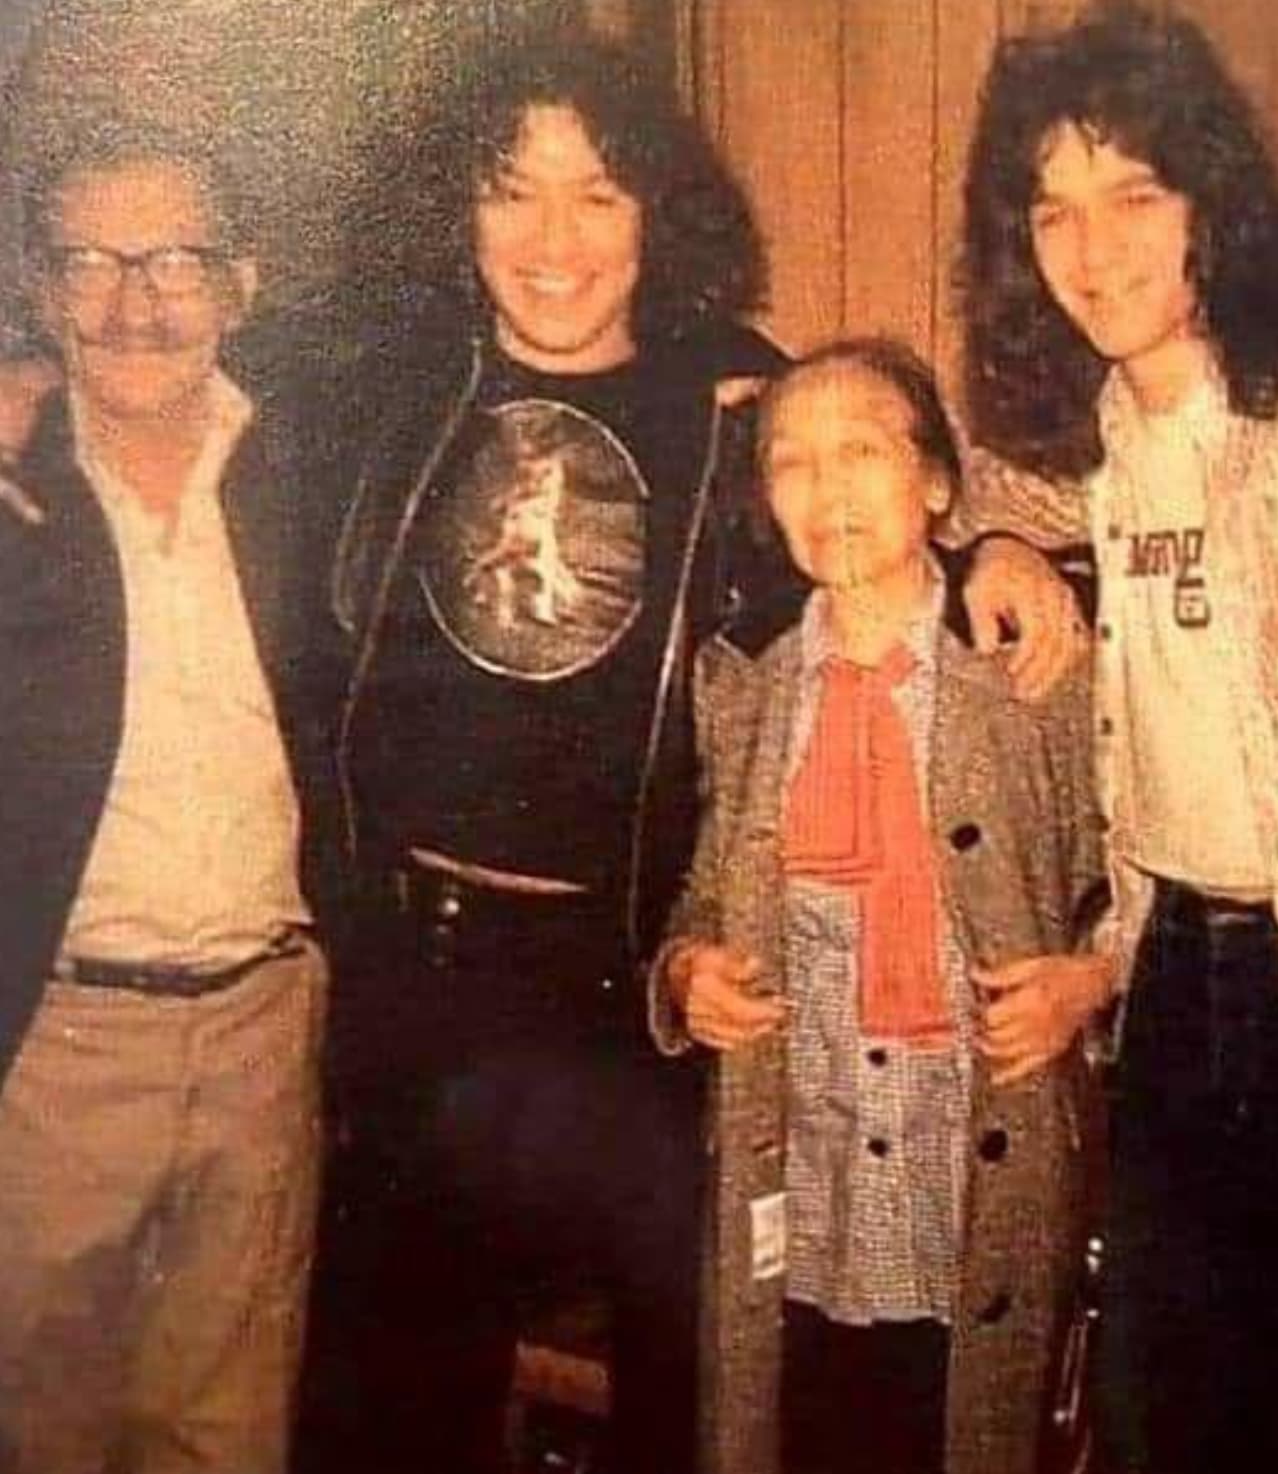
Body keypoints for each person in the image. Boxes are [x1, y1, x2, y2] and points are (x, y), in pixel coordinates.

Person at [959, 7, 1278, 1473]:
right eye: (1051, 210)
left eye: (1135, 195)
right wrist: (995, 539)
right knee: (1164, 1414)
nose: (1092, 247)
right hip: (1176, 981)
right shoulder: (1084, 441)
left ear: (1211, 204)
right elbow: (997, 492)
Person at [299, 33, 794, 1474]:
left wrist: (1008, 546)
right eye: (513, 192)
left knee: (672, 1414)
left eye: (602, 196)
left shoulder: (740, 413)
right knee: (386, 1415)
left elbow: (897, 495)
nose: (555, 241)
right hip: (403, 987)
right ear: (457, 212)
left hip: (624, 998)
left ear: (662, 217)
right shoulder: (373, 397)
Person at [650, 338, 1108, 1474]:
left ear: (938, 484)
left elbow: (1137, 874)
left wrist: (1088, 980)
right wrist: (683, 971)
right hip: (799, 1146)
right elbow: (695, 889)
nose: (828, 488)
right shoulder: (739, 680)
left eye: (860, 450)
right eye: (792, 463)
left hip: (969, 1147)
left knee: (955, 1423)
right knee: (803, 1418)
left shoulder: (1029, 666)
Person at [0, 122, 341, 1474]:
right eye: (89, 261)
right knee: (38, 1436)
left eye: (177, 261)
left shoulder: (315, 465)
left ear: (242, 284)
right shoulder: (10, 479)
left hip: (268, 1034)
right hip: (53, 1047)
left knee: (226, 1440)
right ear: (38, 290)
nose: (134, 303)